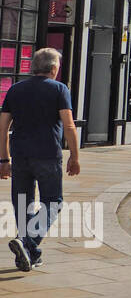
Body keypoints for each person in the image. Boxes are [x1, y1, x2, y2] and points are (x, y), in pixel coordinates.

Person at [2, 48, 81, 271]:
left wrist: (3, 160)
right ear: (54, 68)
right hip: (48, 155)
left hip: (20, 156)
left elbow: (2, 127)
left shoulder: (15, 90)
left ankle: (30, 254)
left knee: (22, 204)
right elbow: (69, 125)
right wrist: (74, 156)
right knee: (53, 202)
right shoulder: (59, 89)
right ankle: (28, 244)